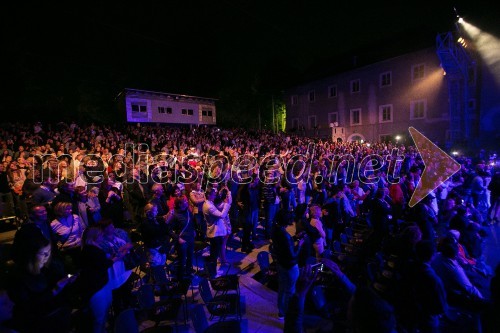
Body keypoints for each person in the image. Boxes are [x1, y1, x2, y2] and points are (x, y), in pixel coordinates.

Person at [7, 229, 76, 332]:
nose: (47, 257)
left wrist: (67, 283)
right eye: (44, 253)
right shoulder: (17, 278)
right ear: (30, 255)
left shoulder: (47, 269)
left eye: (49, 252)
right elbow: (28, 309)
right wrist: (55, 290)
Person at [77, 227, 114, 333]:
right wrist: (113, 259)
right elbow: (101, 265)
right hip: (96, 288)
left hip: (102, 284)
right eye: (100, 235)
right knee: (99, 318)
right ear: (94, 237)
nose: (102, 236)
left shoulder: (93, 248)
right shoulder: (90, 250)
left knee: (102, 316)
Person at [272, 209, 304, 320]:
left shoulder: (275, 229)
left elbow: (284, 245)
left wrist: (294, 238)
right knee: (290, 291)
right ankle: (287, 314)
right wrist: (299, 244)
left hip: (280, 264)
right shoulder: (285, 235)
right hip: (290, 267)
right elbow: (293, 255)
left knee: (281, 289)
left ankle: (281, 312)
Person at [202, 187, 231, 278]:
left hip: (215, 232)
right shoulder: (209, 206)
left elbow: (218, 210)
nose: (215, 196)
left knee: (214, 253)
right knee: (214, 255)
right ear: (208, 195)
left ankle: (212, 272)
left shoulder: (209, 203)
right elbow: (222, 215)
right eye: (213, 195)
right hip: (214, 233)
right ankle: (213, 274)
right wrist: (226, 204)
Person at [50, 201, 85, 273]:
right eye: (67, 209)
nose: (70, 210)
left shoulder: (75, 217)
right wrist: (60, 246)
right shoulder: (53, 224)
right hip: (67, 250)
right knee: (71, 271)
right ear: (60, 210)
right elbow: (54, 240)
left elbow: (81, 231)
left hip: (79, 247)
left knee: (82, 268)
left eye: (70, 208)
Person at [169, 196, 196, 279]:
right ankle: (180, 277)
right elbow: (168, 230)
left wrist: (193, 230)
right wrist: (178, 239)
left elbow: (191, 222)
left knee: (190, 257)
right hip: (182, 241)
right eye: (185, 201)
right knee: (182, 259)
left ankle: (188, 272)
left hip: (190, 238)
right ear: (180, 204)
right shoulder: (175, 215)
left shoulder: (188, 211)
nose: (187, 202)